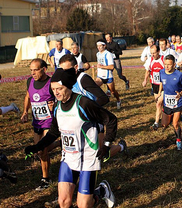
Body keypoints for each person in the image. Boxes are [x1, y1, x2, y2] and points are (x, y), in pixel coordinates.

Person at [24, 68, 117, 208]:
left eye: (60, 88)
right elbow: (54, 132)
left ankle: (101, 192)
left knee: (83, 205)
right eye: (53, 89)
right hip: (68, 158)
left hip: (87, 159)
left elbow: (110, 120)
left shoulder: (84, 103)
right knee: (63, 202)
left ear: (69, 87)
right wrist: (38, 146)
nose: (56, 92)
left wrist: (107, 144)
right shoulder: (57, 106)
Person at [21, 58, 55, 190]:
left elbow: (62, 98)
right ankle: (59, 144)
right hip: (37, 122)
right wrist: (25, 112)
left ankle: (45, 179)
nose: (33, 73)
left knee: (42, 150)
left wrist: (55, 105)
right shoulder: (30, 81)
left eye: (35, 70)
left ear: (44, 69)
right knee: (38, 149)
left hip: (49, 121)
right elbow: (28, 97)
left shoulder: (51, 83)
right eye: (31, 70)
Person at [155, 55, 182, 150]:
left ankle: (178, 140)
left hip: (178, 101)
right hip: (167, 102)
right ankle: (179, 116)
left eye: (169, 65)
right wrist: (159, 93)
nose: (167, 67)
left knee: (175, 124)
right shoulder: (161, 72)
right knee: (164, 124)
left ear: (174, 64)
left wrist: (181, 93)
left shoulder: (179, 75)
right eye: (165, 64)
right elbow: (161, 82)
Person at [143, 45, 165, 130]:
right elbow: (147, 71)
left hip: (163, 84)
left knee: (159, 102)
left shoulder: (163, 59)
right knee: (158, 104)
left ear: (158, 52)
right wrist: (145, 80)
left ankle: (156, 122)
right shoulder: (150, 60)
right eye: (151, 53)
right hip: (155, 84)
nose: (152, 55)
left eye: (154, 53)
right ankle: (163, 117)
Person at [95, 39, 121, 109]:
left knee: (113, 92)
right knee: (94, 88)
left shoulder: (108, 54)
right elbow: (99, 63)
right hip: (100, 76)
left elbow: (112, 67)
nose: (98, 47)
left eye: (100, 46)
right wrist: (97, 69)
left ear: (104, 46)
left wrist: (102, 67)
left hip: (108, 76)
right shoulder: (97, 54)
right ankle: (97, 103)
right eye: (97, 46)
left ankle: (118, 100)